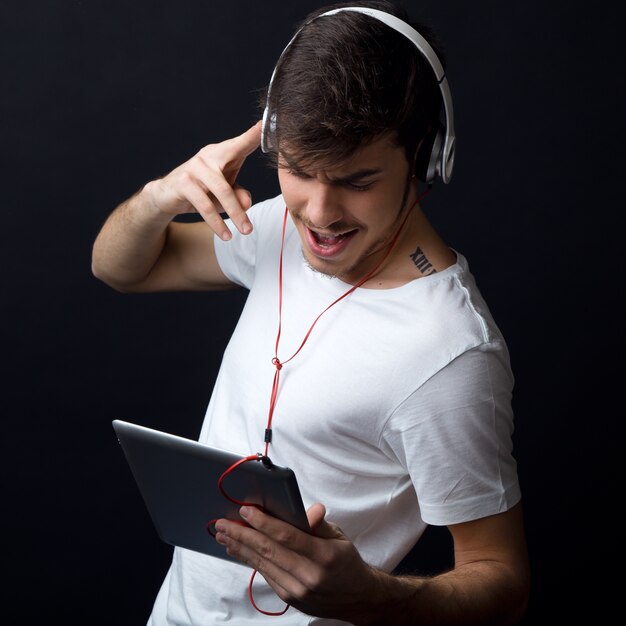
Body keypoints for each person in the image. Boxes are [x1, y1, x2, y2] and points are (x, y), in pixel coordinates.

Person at [91, 1, 530, 624]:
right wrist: (163, 196)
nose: (320, 214)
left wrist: (375, 594)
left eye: (357, 180)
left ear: (428, 161)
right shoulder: (275, 228)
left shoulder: (452, 355)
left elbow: (503, 581)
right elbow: (118, 267)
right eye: (297, 170)